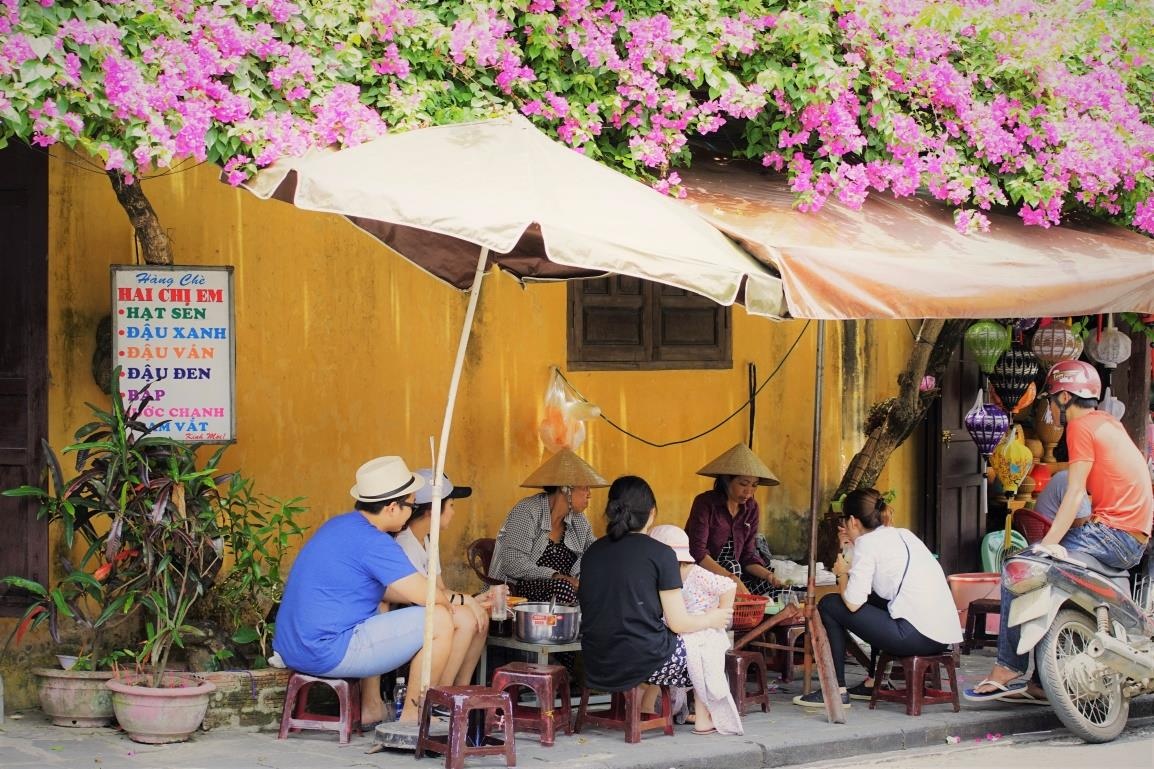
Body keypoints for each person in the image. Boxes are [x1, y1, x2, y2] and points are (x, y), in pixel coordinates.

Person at [967, 360, 1153, 703]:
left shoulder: (1081, 427)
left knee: (1018, 567)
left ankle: (1007, 667)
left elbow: (1075, 491)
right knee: (1053, 579)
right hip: (1132, 540)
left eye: (1051, 400)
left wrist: (1045, 545)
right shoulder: (1108, 423)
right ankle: (1042, 680)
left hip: (1111, 535)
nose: (1050, 409)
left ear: (1065, 397)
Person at [272, 456, 457, 724]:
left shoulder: (338, 525)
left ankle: (374, 708)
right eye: (411, 506)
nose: (412, 513)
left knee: (381, 607)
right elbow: (427, 596)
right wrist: (448, 603)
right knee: (440, 620)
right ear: (392, 508)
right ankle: (412, 716)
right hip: (327, 650)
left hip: (293, 648)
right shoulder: (375, 542)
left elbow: (385, 592)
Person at [578, 476, 730, 725]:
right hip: (646, 662)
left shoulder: (593, 552)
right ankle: (704, 719)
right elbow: (679, 623)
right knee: (709, 643)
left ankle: (650, 706)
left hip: (596, 660)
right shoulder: (661, 554)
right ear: (652, 513)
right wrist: (711, 619)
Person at [796, 488, 962, 708]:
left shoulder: (868, 544)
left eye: (844, 520)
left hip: (914, 636)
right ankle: (875, 681)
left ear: (853, 521)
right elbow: (868, 587)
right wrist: (850, 546)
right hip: (941, 637)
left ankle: (836, 689)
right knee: (873, 600)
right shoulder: (903, 534)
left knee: (829, 604)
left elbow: (852, 603)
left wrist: (842, 573)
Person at [393, 468, 489, 688]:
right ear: (432, 510)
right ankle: (441, 692)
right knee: (466, 619)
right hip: (407, 615)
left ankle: (461, 690)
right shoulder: (405, 542)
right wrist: (466, 601)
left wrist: (473, 601)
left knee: (480, 618)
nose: (453, 513)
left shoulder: (428, 540)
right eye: (451, 505)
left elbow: (440, 588)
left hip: (431, 609)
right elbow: (423, 595)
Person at [649, 524, 741, 736]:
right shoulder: (664, 575)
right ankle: (662, 711)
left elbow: (729, 586)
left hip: (703, 627)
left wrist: (722, 614)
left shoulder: (697, 574)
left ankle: (702, 719)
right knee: (695, 669)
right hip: (681, 629)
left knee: (704, 666)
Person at [488, 448, 608, 605]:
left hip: (568, 592)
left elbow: (594, 554)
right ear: (565, 488)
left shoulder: (579, 521)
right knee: (564, 588)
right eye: (585, 487)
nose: (589, 494)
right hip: (523, 590)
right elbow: (513, 563)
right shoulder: (528, 510)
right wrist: (556, 577)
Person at [685, 443, 781, 596]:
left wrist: (769, 576)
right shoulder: (705, 503)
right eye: (743, 484)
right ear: (726, 481)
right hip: (704, 572)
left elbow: (747, 556)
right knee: (733, 566)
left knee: (775, 587)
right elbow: (698, 552)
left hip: (737, 574)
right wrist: (731, 578)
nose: (749, 492)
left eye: (754, 485)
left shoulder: (752, 508)